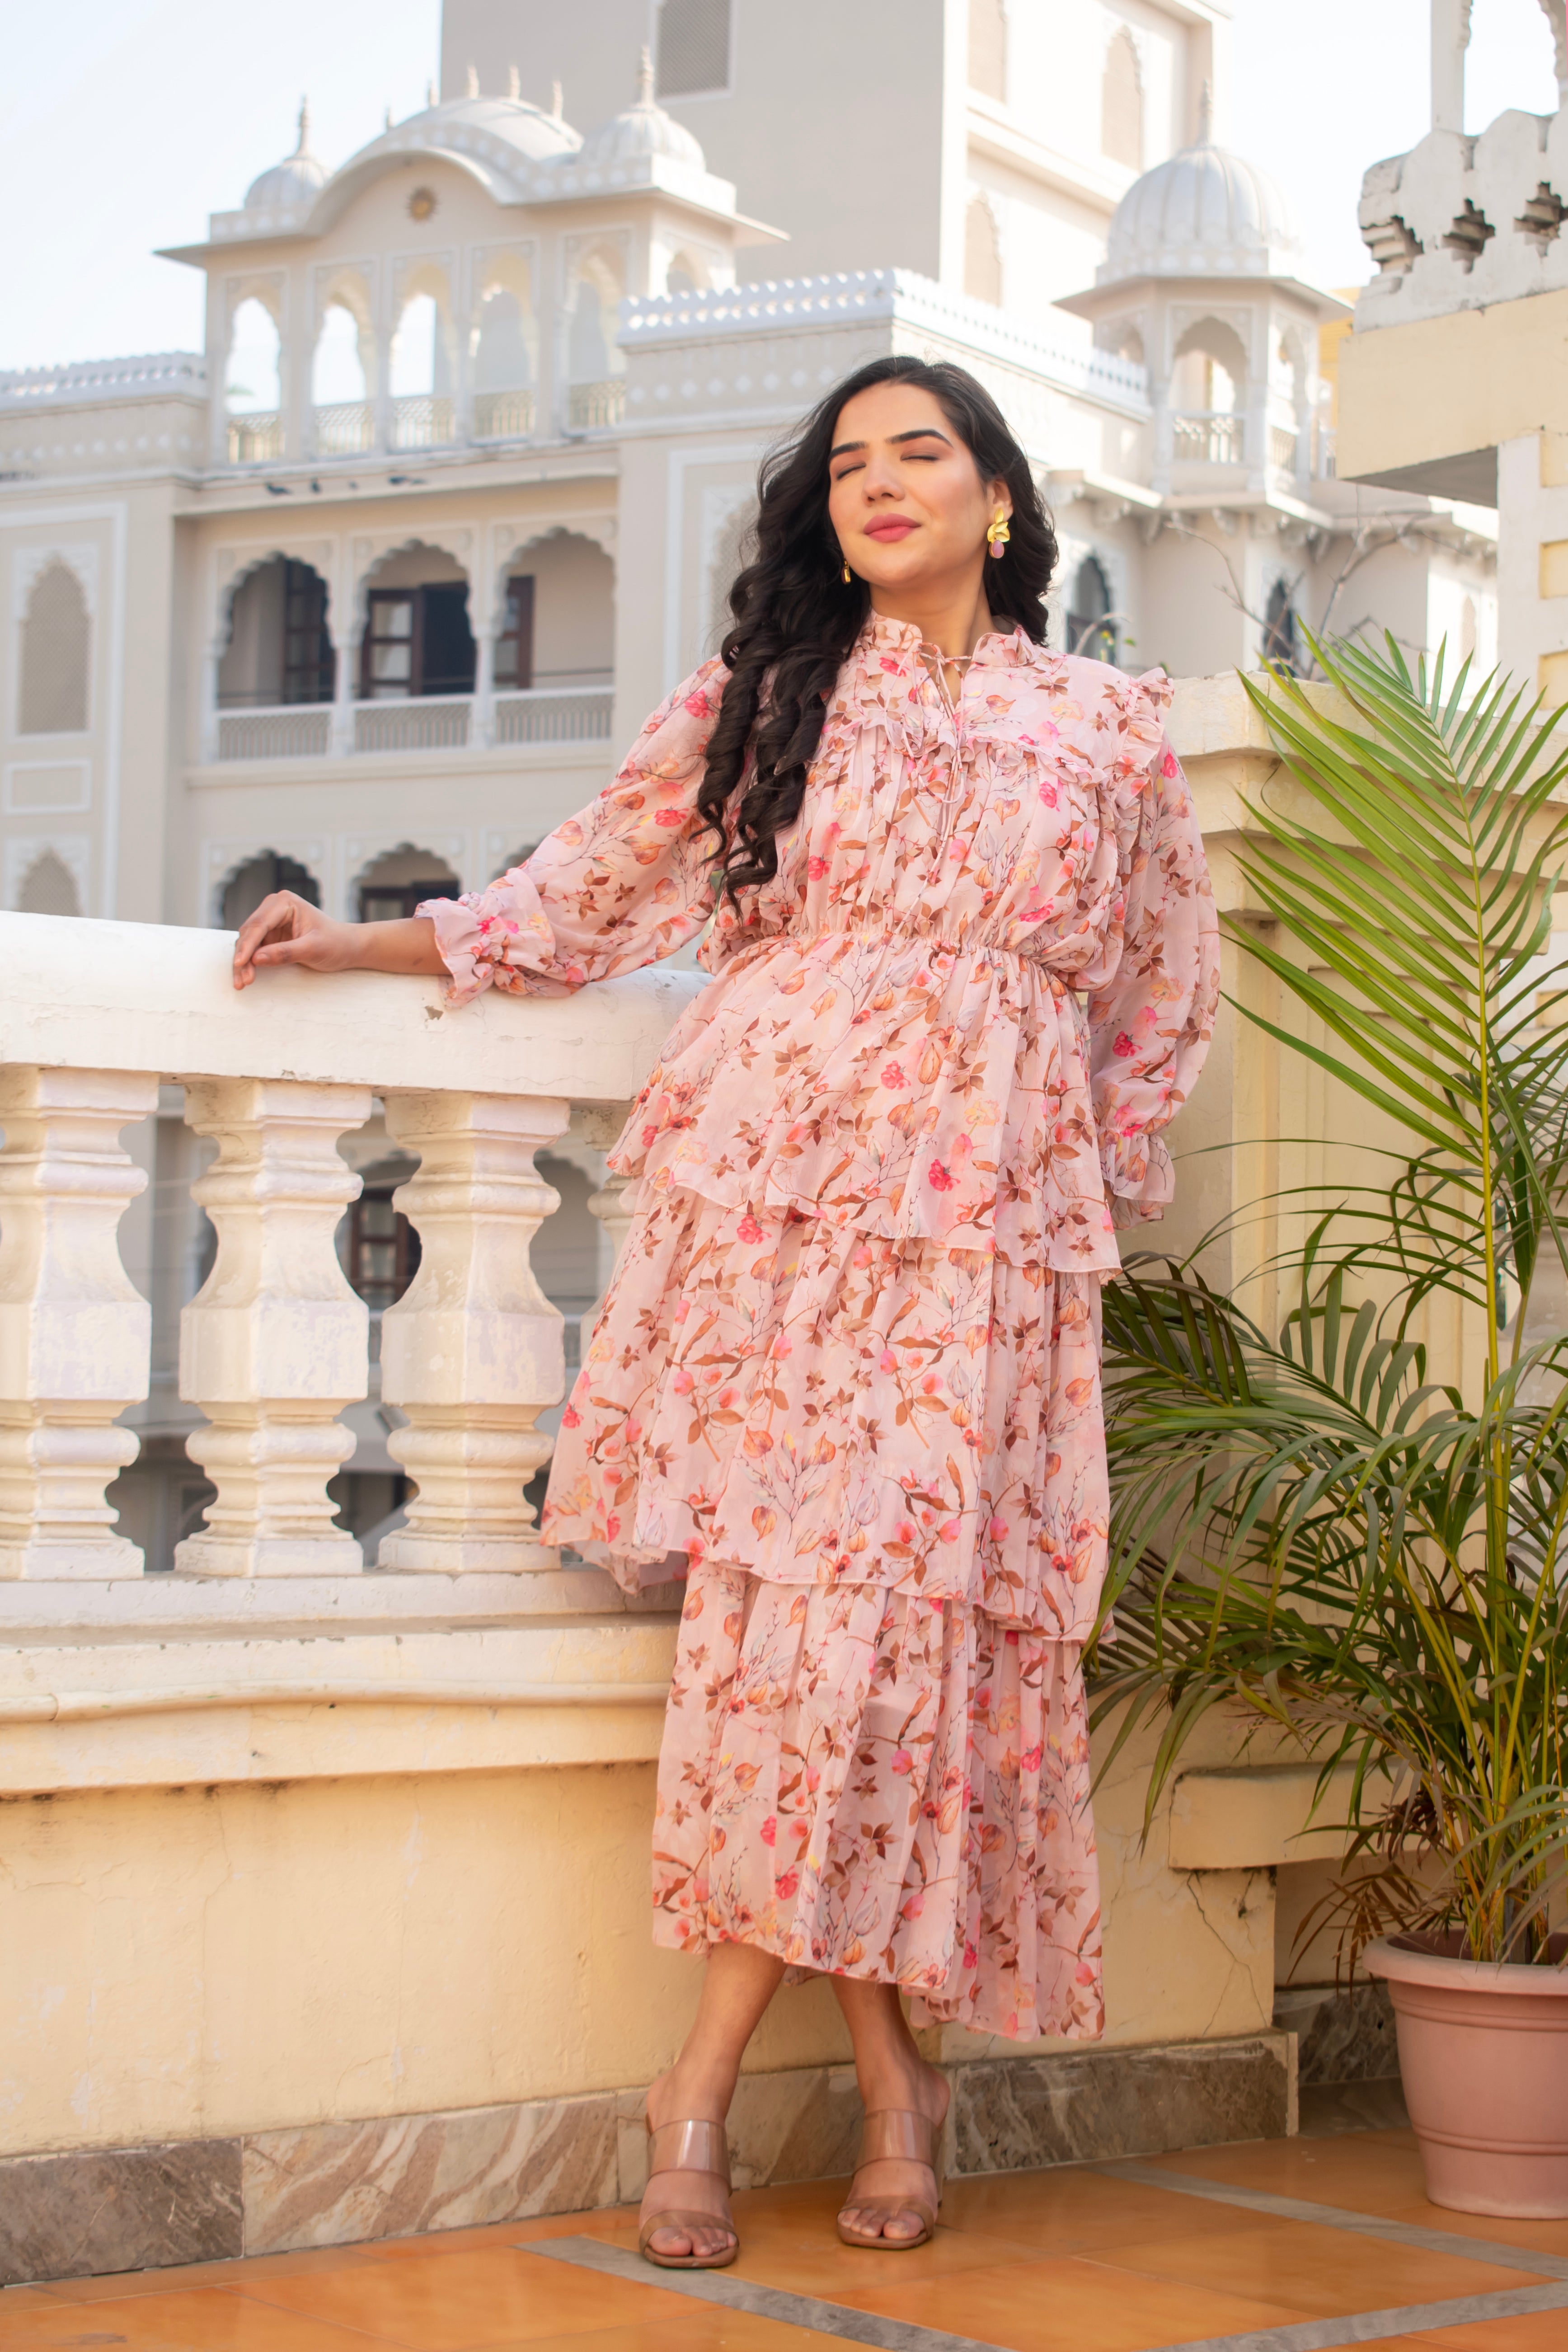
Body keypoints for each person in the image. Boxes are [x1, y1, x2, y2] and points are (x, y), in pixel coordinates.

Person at [232, 354, 1219, 2268]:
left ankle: (722, 2086)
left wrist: (1071, 1175)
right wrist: (357, 937)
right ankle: (881, 2082)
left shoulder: (1110, 725)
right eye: (845, 463)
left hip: (987, 1234)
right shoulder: (764, 700)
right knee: (787, 1638)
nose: (877, 483)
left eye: (917, 451)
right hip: (772, 1207)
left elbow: (1159, 987)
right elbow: (587, 887)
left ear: (997, 497)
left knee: (897, 1645)